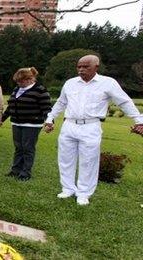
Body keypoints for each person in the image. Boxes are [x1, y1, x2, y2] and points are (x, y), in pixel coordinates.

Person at [44, 55, 143, 205]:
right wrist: (50, 119)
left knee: (89, 160)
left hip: (91, 126)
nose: (81, 70)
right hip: (69, 125)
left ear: (96, 67)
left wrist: (139, 120)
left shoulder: (107, 83)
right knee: (65, 159)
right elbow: (61, 102)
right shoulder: (70, 83)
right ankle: (68, 189)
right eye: (79, 67)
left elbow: (124, 102)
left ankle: (83, 193)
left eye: (85, 66)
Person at [0, 67, 51, 181]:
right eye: (17, 81)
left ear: (30, 79)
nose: (18, 83)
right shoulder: (17, 89)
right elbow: (11, 106)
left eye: (21, 81)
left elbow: (46, 108)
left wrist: (49, 122)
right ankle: (15, 170)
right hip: (17, 123)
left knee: (28, 148)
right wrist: (2, 119)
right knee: (18, 148)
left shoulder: (40, 90)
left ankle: (25, 172)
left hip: (31, 124)